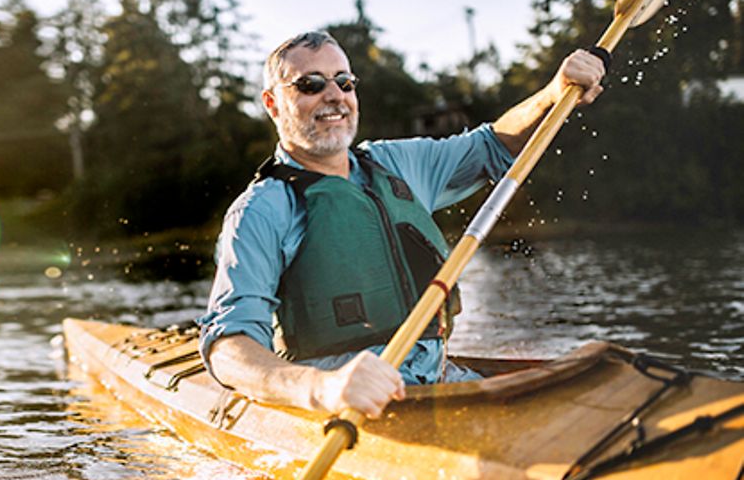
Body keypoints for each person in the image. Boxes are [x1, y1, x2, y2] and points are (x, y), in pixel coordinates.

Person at [196, 30, 605, 421]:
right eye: (311, 84)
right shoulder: (260, 211)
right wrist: (323, 388)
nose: (334, 95)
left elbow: (494, 145)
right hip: (345, 407)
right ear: (272, 104)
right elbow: (228, 349)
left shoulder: (395, 164)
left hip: (439, 383)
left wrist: (554, 92)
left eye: (344, 82)